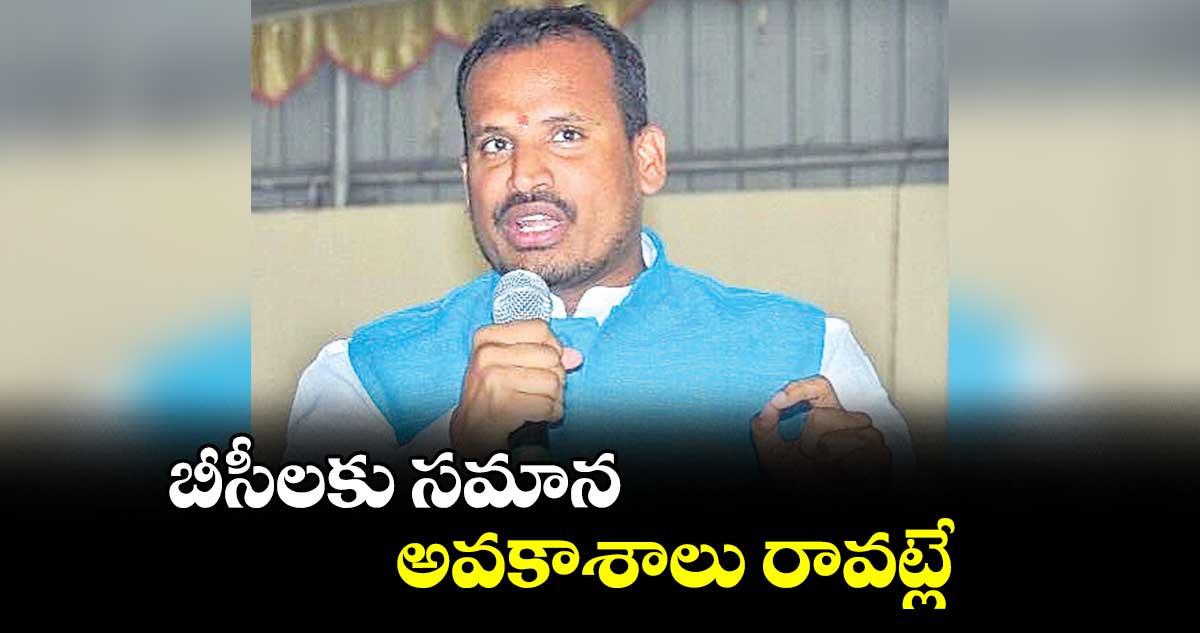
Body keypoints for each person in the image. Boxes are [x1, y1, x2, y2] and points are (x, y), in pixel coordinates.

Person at [285, 5, 913, 489]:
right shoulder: (365, 376)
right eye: (495, 145)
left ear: (647, 160)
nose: (524, 176)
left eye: (565, 134)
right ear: (466, 176)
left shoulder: (805, 355)